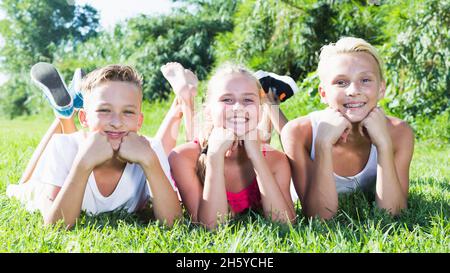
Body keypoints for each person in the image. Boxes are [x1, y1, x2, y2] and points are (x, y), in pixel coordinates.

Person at [7, 63, 193, 228]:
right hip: (39, 190)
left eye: (128, 112)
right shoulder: (63, 145)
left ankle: (67, 110)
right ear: (85, 118)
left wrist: (151, 163)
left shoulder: (150, 149)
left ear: (139, 121)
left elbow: (173, 223)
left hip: (92, 139)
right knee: (24, 184)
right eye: (104, 110)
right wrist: (83, 164)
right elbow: (57, 225)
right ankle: (64, 114)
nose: (116, 122)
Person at [280, 37, 414, 220]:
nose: (353, 90)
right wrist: (322, 145)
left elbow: (393, 213)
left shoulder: (399, 132)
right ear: (323, 93)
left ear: (381, 89)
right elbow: (320, 218)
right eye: (341, 82)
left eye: (365, 80)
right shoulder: (297, 132)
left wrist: (383, 145)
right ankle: (270, 105)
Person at [168, 63, 296, 230]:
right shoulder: (182, 158)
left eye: (248, 99)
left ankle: (272, 100)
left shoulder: (276, 160)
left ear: (260, 109)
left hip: (258, 145)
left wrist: (257, 157)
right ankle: (186, 95)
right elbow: (211, 228)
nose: (238, 107)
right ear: (208, 110)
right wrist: (214, 156)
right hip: (203, 146)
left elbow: (285, 225)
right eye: (227, 99)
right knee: (195, 139)